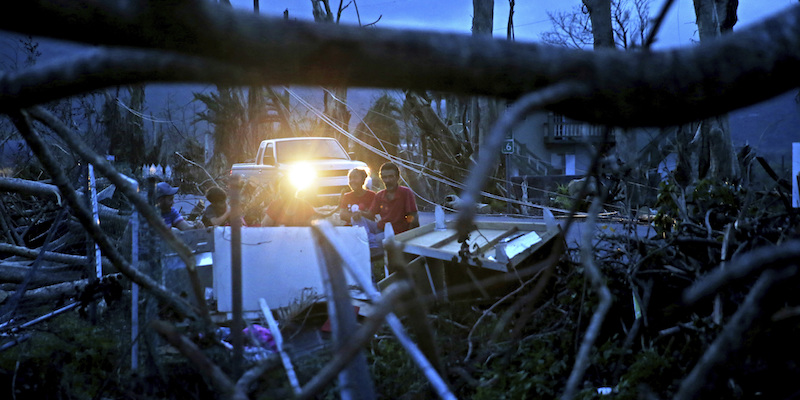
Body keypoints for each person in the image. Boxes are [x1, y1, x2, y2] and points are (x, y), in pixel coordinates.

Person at [361, 162, 419, 234]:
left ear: (397, 177)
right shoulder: (379, 195)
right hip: (382, 229)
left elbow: (414, 217)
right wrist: (358, 213)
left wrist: (410, 236)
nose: (387, 180)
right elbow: (370, 214)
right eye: (384, 177)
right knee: (358, 222)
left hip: (399, 233)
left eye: (391, 177)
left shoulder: (406, 192)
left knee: (377, 240)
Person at [338, 168, 381, 256]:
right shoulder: (347, 196)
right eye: (350, 178)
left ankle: (371, 244)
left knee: (359, 218)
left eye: (355, 178)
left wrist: (360, 214)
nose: (352, 181)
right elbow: (342, 214)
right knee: (355, 218)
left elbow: (372, 214)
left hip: (368, 228)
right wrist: (354, 216)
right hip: (351, 228)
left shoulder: (371, 195)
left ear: (363, 180)